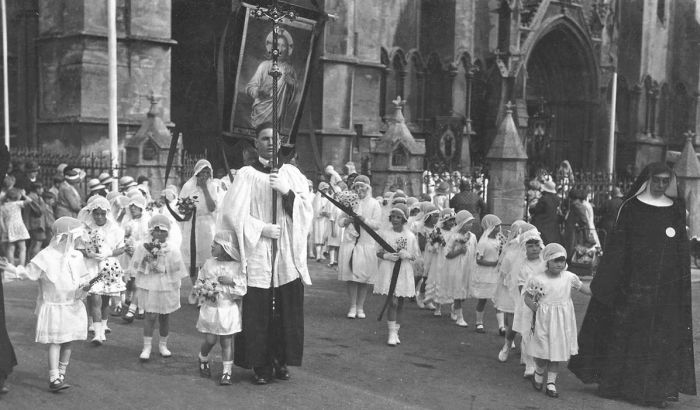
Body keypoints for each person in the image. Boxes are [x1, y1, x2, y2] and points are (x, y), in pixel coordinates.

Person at [568, 162, 697, 408]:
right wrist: (610, 280)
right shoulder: (632, 207)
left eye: (665, 181)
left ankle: (651, 390)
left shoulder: (675, 209)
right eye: (657, 180)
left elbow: (680, 249)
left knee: (655, 337)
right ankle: (617, 384)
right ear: (648, 180)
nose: (661, 185)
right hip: (630, 284)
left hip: (662, 286)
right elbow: (618, 246)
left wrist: (676, 282)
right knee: (625, 333)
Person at [219, 123, 313, 385]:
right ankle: (260, 364)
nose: (270, 142)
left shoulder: (291, 173)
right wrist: (261, 228)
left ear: (281, 142)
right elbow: (232, 214)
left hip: (285, 250)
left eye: (274, 138)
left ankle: (281, 360)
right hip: (259, 248)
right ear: (256, 144)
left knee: (285, 308)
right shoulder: (246, 175)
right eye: (264, 138)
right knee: (258, 309)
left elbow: (307, 211)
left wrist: (286, 192)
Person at [0, 217, 91, 392]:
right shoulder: (46, 256)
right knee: (56, 341)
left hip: (72, 304)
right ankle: (54, 377)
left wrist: (85, 287)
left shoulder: (76, 256)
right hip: (55, 306)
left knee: (68, 341)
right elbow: (29, 273)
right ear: (65, 237)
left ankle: (62, 372)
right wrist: (11, 268)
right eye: (75, 236)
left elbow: (82, 277)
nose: (78, 240)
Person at [521, 243, 591, 399]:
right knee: (542, 351)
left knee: (556, 352)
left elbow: (586, 290)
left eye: (562, 260)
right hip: (543, 320)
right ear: (547, 261)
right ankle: (539, 372)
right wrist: (533, 306)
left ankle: (551, 383)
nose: (559, 264)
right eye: (556, 261)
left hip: (561, 321)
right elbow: (527, 297)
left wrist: (599, 288)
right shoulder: (537, 279)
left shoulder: (569, 277)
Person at [130, 215, 188, 361]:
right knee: (150, 315)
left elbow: (177, 269)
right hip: (150, 283)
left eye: (163, 231)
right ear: (151, 231)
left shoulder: (172, 249)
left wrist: (164, 267)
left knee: (164, 316)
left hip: (166, 284)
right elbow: (136, 265)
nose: (160, 233)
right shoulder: (143, 247)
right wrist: (147, 262)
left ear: (167, 232)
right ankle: (147, 347)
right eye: (157, 230)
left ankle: (163, 345)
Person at [196, 230, 246, 386]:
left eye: (215, 244)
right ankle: (203, 356)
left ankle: (227, 372)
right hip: (212, 308)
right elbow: (200, 280)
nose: (212, 246)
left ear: (226, 247)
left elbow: (242, 289)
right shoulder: (209, 263)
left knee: (226, 341)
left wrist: (232, 282)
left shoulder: (237, 266)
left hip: (227, 309)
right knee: (210, 340)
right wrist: (203, 289)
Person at [78, 197, 128, 345]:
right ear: (91, 213)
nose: (99, 216)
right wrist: (89, 253)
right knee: (95, 297)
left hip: (108, 266)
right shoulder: (86, 228)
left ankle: (103, 326)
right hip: (92, 267)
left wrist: (109, 253)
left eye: (102, 214)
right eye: (96, 213)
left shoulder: (115, 229)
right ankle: (97, 334)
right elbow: (79, 248)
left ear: (107, 213)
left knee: (106, 299)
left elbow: (121, 248)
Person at [373, 203, 419, 346]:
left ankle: (396, 331)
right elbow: (378, 251)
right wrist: (386, 256)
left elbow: (415, 256)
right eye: (393, 216)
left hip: (403, 270)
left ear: (404, 219)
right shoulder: (385, 234)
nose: (395, 219)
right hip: (389, 269)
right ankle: (391, 333)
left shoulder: (410, 236)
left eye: (398, 217)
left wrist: (407, 255)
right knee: (392, 302)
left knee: (400, 302)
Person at [337, 175, 381, 319]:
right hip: (351, 242)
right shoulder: (350, 201)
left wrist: (364, 220)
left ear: (368, 188)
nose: (359, 189)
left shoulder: (374, 204)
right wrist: (347, 220)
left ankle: (360, 307)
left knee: (364, 277)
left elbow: (377, 224)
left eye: (362, 186)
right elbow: (340, 221)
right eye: (356, 186)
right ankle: (352, 306)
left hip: (366, 243)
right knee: (351, 277)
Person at [507, 227, 544, 378]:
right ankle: (529, 364)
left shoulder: (545, 263)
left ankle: (538, 360)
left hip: (545, 303)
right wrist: (531, 299)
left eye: (537, 245)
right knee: (528, 332)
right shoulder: (522, 266)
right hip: (528, 302)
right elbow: (521, 287)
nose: (534, 249)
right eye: (530, 246)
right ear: (524, 249)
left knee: (541, 333)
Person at [245, 28, 297, 128]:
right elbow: (249, 87)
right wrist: (258, 92)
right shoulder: (264, 66)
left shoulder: (290, 70)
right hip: (260, 112)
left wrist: (292, 85)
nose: (280, 49)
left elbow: (292, 97)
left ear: (287, 49)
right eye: (277, 45)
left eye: (283, 46)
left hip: (278, 115)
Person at [180, 159, 219, 292]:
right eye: (203, 172)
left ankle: (205, 288)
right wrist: (188, 208)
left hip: (207, 225)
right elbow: (181, 208)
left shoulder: (212, 186)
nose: (205, 175)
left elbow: (212, 207)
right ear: (197, 172)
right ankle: (196, 288)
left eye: (207, 172)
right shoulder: (187, 186)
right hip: (192, 224)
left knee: (206, 258)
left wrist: (204, 188)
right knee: (192, 259)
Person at [443, 210, 477, 327]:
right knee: (458, 292)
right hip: (456, 267)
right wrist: (459, 251)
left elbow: (475, 251)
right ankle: (460, 317)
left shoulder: (473, 237)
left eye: (471, 223)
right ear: (461, 223)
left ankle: (454, 307)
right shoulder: (453, 236)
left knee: (464, 293)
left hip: (468, 267)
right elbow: (447, 253)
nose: (470, 225)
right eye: (468, 223)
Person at [469, 214, 502, 334]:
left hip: (496, 274)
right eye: (496, 226)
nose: (499, 228)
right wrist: (494, 263)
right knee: (482, 299)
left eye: (499, 226)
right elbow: (479, 260)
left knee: (498, 300)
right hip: (485, 274)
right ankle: (479, 323)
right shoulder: (483, 242)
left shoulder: (499, 240)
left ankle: (501, 326)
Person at [1, 188, 32, 266]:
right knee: (22, 248)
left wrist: (4, 229)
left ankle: (11, 266)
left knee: (10, 248)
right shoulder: (17, 203)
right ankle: (21, 266)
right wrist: (24, 195)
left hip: (8, 228)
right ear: (17, 197)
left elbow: (1, 220)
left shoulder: (2, 207)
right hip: (19, 227)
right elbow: (29, 200)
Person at [529, 180, 562, 245]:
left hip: (542, 222)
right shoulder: (556, 198)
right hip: (553, 223)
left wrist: (531, 209)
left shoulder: (544, 199)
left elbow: (537, 210)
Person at [311, 182, 330, 262]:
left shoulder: (328, 198)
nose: (325, 191)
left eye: (326, 189)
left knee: (324, 237)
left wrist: (328, 213)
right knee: (318, 236)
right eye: (324, 189)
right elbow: (315, 210)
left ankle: (322, 253)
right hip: (319, 221)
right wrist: (321, 213)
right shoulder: (317, 198)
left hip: (326, 220)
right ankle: (318, 255)